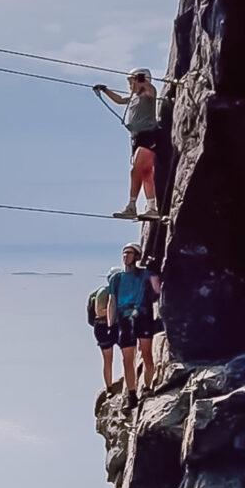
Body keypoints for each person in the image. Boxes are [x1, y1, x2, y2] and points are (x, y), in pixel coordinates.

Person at [94, 69, 161, 220]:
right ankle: (151, 207)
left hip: (148, 135)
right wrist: (105, 90)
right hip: (136, 138)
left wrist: (142, 79)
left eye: (132, 81)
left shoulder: (148, 94)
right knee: (145, 172)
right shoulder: (133, 97)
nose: (130, 84)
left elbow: (150, 88)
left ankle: (132, 205)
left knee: (136, 169)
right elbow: (118, 100)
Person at [107, 242, 161, 410]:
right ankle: (131, 394)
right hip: (124, 318)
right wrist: (110, 324)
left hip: (143, 316)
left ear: (137, 256)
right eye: (124, 253)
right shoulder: (117, 278)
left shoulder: (144, 274)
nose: (126, 256)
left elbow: (157, 290)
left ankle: (147, 387)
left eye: (129, 253)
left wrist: (153, 270)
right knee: (127, 359)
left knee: (146, 354)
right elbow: (112, 302)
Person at [87, 267, 122, 389]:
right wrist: (115, 309)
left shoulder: (122, 292)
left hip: (118, 326)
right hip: (103, 327)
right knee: (108, 359)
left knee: (128, 353)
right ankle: (109, 387)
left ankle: (128, 381)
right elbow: (99, 311)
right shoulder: (104, 292)